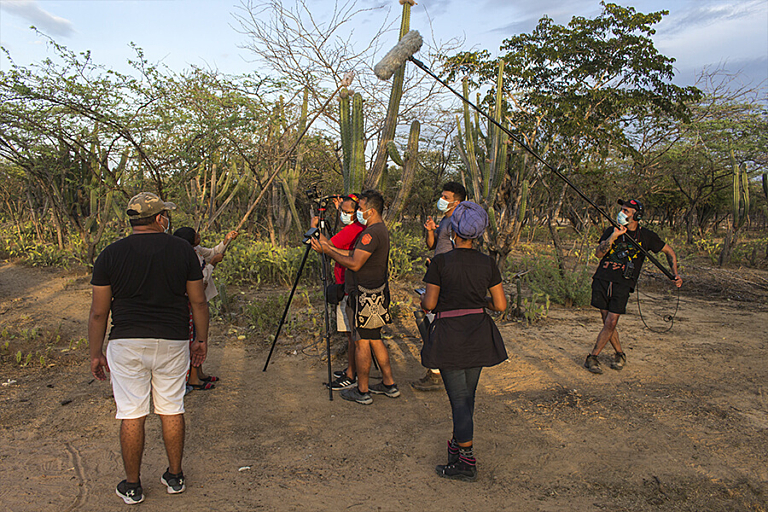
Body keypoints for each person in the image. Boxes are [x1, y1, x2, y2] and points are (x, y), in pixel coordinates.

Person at [89, 192, 209, 505]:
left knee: (132, 413)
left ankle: (132, 485)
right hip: (172, 340)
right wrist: (201, 340)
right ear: (159, 219)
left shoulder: (110, 254)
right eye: (164, 215)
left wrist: (95, 351)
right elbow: (198, 300)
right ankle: (175, 475)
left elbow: (99, 311)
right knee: (171, 407)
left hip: (126, 342)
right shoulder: (182, 250)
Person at [420, 201, 507, 482]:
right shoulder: (487, 263)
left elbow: (429, 304)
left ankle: (465, 462)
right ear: (478, 233)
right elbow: (500, 305)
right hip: (479, 333)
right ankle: (458, 450)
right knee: (467, 397)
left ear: (453, 231)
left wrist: (430, 297)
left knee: (459, 399)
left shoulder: (440, 263)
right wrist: (477, 301)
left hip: (450, 336)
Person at [310, 189, 399, 405]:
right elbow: (356, 255)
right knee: (375, 340)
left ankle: (363, 390)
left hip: (365, 296)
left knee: (361, 343)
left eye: (360, 208)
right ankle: (389, 384)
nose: (358, 212)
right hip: (375, 293)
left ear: (370, 211)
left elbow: (355, 263)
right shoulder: (376, 230)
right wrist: (328, 246)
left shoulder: (371, 233)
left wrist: (328, 252)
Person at [585, 199, 682, 374]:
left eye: (627, 211)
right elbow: (599, 253)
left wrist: (675, 273)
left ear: (637, 215)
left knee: (611, 321)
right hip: (603, 279)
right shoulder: (611, 231)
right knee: (608, 322)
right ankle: (620, 354)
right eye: (621, 210)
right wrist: (614, 235)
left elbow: (669, 252)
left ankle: (593, 357)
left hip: (624, 282)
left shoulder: (646, 236)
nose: (622, 213)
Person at [413, 181, 467, 391]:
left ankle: (437, 371)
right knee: (430, 317)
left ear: (457, 201)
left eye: (446, 197)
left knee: (433, 317)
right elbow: (433, 245)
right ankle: (440, 368)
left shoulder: (457, 221)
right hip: (439, 273)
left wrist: (442, 268)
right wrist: (430, 231)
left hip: (446, 277)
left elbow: (458, 251)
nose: (442, 200)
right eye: (442, 196)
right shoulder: (445, 220)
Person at [309, 195, 366, 391]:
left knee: (351, 334)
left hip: (347, 285)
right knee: (352, 334)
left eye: (348, 212)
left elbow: (329, 245)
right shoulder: (361, 227)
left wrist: (315, 227)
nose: (344, 215)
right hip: (349, 283)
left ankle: (351, 374)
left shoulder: (354, 229)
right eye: (342, 211)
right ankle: (353, 369)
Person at [173, 227, 239, 389]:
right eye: (196, 235)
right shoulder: (186, 256)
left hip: (200, 302)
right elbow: (200, 281)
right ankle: (193, 377)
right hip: (193, 303)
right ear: (190, 241)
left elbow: (212, 252)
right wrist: (212, 264)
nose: (199, 236)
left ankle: (199, 372)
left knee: (199, 336)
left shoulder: (196, 250)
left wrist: (226, 240)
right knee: (195, 338)